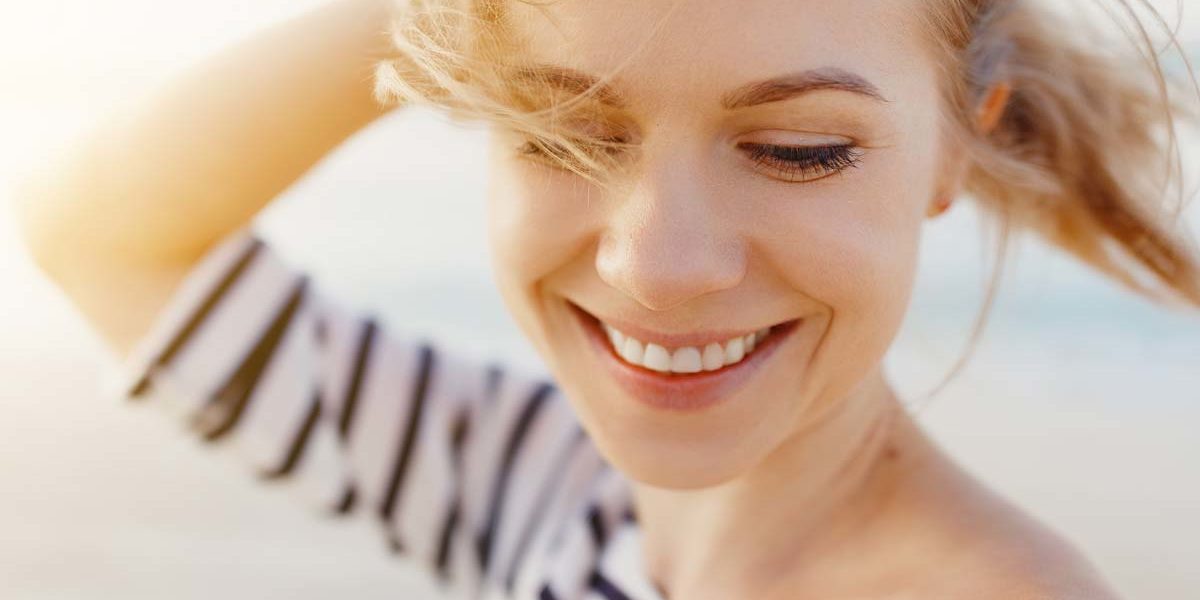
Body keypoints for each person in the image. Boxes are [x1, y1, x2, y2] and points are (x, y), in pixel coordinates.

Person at [14, 0, 1200, 598]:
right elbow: (101, 238)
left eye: (796, 150)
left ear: (957, 148)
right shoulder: (540, 490)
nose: (659, 264)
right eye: (565, 133)